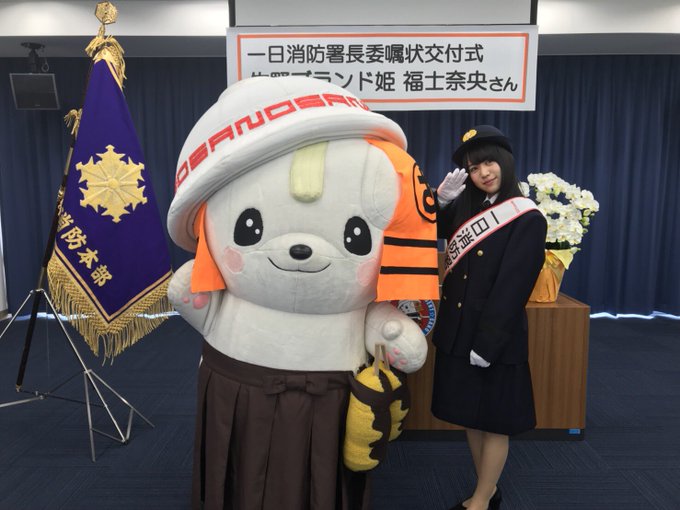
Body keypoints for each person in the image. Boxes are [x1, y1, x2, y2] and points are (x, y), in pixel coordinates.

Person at [430, 125, 547, 510]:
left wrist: (488, 342)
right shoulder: (467, 205)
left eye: (489, 163)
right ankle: (487, 488)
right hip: (459, 332)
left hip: (493, 337)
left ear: (505, 161)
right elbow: (432, 229)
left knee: (494, 421)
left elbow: (512, 288)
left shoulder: (527, 217)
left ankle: (480, 500)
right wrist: (440, 202)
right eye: (474, 167)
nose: (483, 172)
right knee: (471, 415)